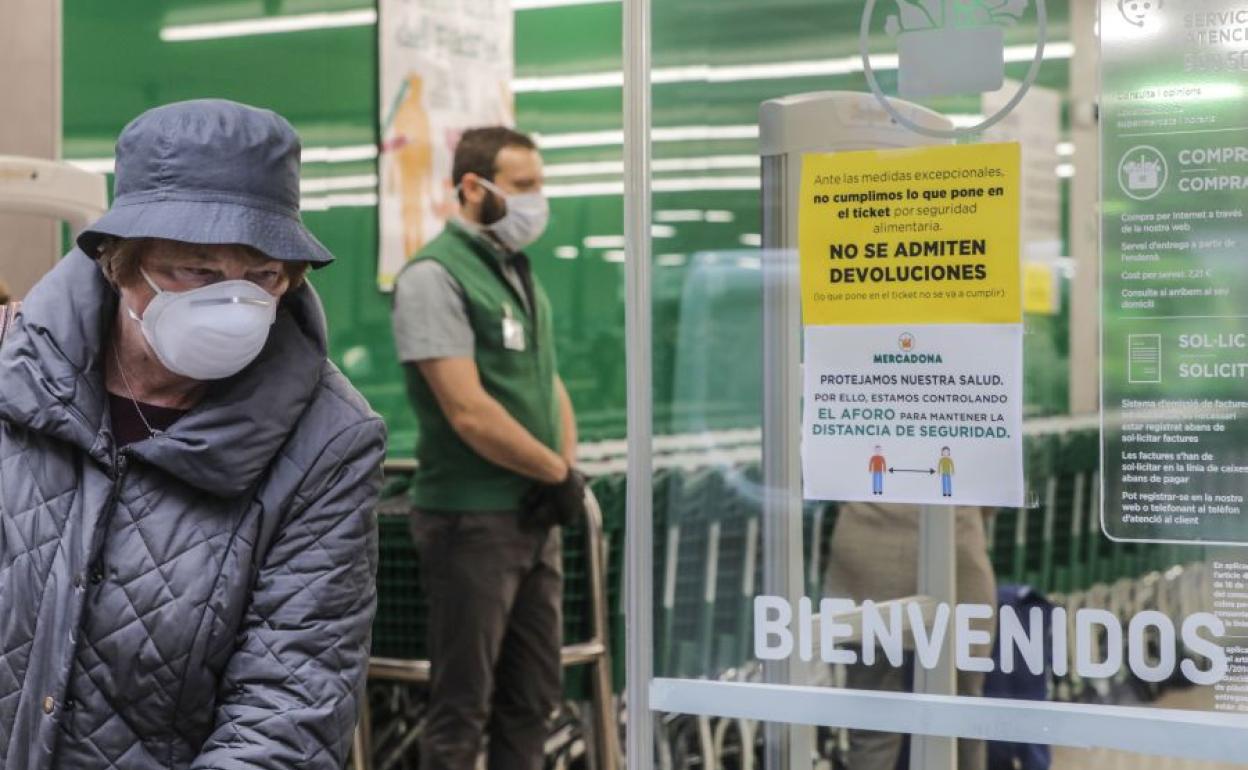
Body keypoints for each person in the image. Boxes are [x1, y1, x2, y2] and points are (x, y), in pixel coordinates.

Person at [0, 99, 387, 770]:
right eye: (196, 270)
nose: (231, 303)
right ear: (119, 263)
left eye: (262, 275)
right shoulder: (14, 379)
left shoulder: (327, 442)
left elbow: (287, 713)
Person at [391, 126, 584, 770]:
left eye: (539, 184)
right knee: (462, 707)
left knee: (533, 697)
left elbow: (545, 376)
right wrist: (555, 471)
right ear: (474, 187)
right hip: (469, 521)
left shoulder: (515, 271)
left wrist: (565, 468)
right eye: (523, 186)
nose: (537, 200)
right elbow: (468, 411)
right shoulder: (433, 277)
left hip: (533, 510)